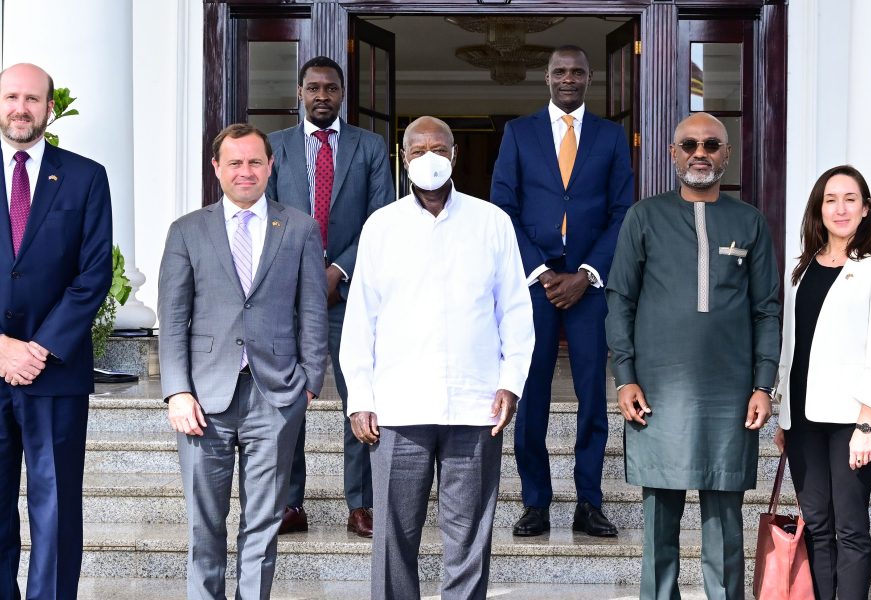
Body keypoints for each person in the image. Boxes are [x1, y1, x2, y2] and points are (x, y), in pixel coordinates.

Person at [0, 63, 113, 600]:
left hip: (54, 372)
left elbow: (93, 273)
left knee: (56, 509)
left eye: (33, 99)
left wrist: (39, 348)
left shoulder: (85, 177)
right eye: (12, 96)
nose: (21, 107)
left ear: (49, 108)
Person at [341, 116, 535, 599]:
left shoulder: (491, 222)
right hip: (399, 407)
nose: (429, 157)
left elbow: (514, 310)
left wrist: (510, 383)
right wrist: (359, 397)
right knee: (393, 534)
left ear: (455, 155)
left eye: (439, 148)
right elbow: (361, 319)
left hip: (475, 406)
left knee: (468, 535)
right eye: (418, 149)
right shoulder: (381, 226)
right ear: (403, 159)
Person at [605, 112, 780, 600]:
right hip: (658, 390)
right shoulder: (644, 217)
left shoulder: (749, 221)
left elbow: (767, 310)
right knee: (659, 518)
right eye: (689, 145)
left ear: (726, 154)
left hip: (730, 393)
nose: (699, 153)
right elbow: (620, 299)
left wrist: (763, 385)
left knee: (725, 520)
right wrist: (625, 378)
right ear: (672, 153)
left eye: (710, 145)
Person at [158, 123, 329, 600]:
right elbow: (172, 320)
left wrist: (309, 382)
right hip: (202, 402)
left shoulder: (298, 227)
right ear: (217, 168)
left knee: (263, 524)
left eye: (255, 161)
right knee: (204, 526)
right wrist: (177, 391)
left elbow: (313, 310)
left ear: (271, 166)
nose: (245, 171)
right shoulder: (187, 231)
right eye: (234, 162)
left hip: (275, 398)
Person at [490, 44, 633, 538]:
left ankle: (589, 503)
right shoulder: (519, 132)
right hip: (536, 287)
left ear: (589, 78)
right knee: (532, 397)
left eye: (576, 71)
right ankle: (536, 503)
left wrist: (588, 272)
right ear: (546, 78)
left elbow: (622, 212)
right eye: (559, 72)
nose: (568, 78)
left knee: (593, 396)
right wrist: (540, 270)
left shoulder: (612, 137)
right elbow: (502, 205)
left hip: (590, 288)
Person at [265, 56, 395, 538]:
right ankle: (288, 503)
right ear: (299, 93)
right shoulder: (273, 147)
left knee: (359, 397)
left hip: (351, 296)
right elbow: (268, 216)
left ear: (343, 94)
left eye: (331, 89)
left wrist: (338, 269)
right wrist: (305, 274)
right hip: (287, 297)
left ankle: (361, 503)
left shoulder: (370, 147)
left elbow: (381, 220)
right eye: (314, 88)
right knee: (289, 400)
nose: (322, 96)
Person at [774, 165, 871, 599]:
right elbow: (794, 347)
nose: (840, 208)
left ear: (865, 210)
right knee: (817, 524)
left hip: (852, 420)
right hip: (802, 419)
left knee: (849, 527)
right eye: (831, 199)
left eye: (851, 199)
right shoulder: (802, 269)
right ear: (819, 208)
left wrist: (867, 423)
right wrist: (782, 416)